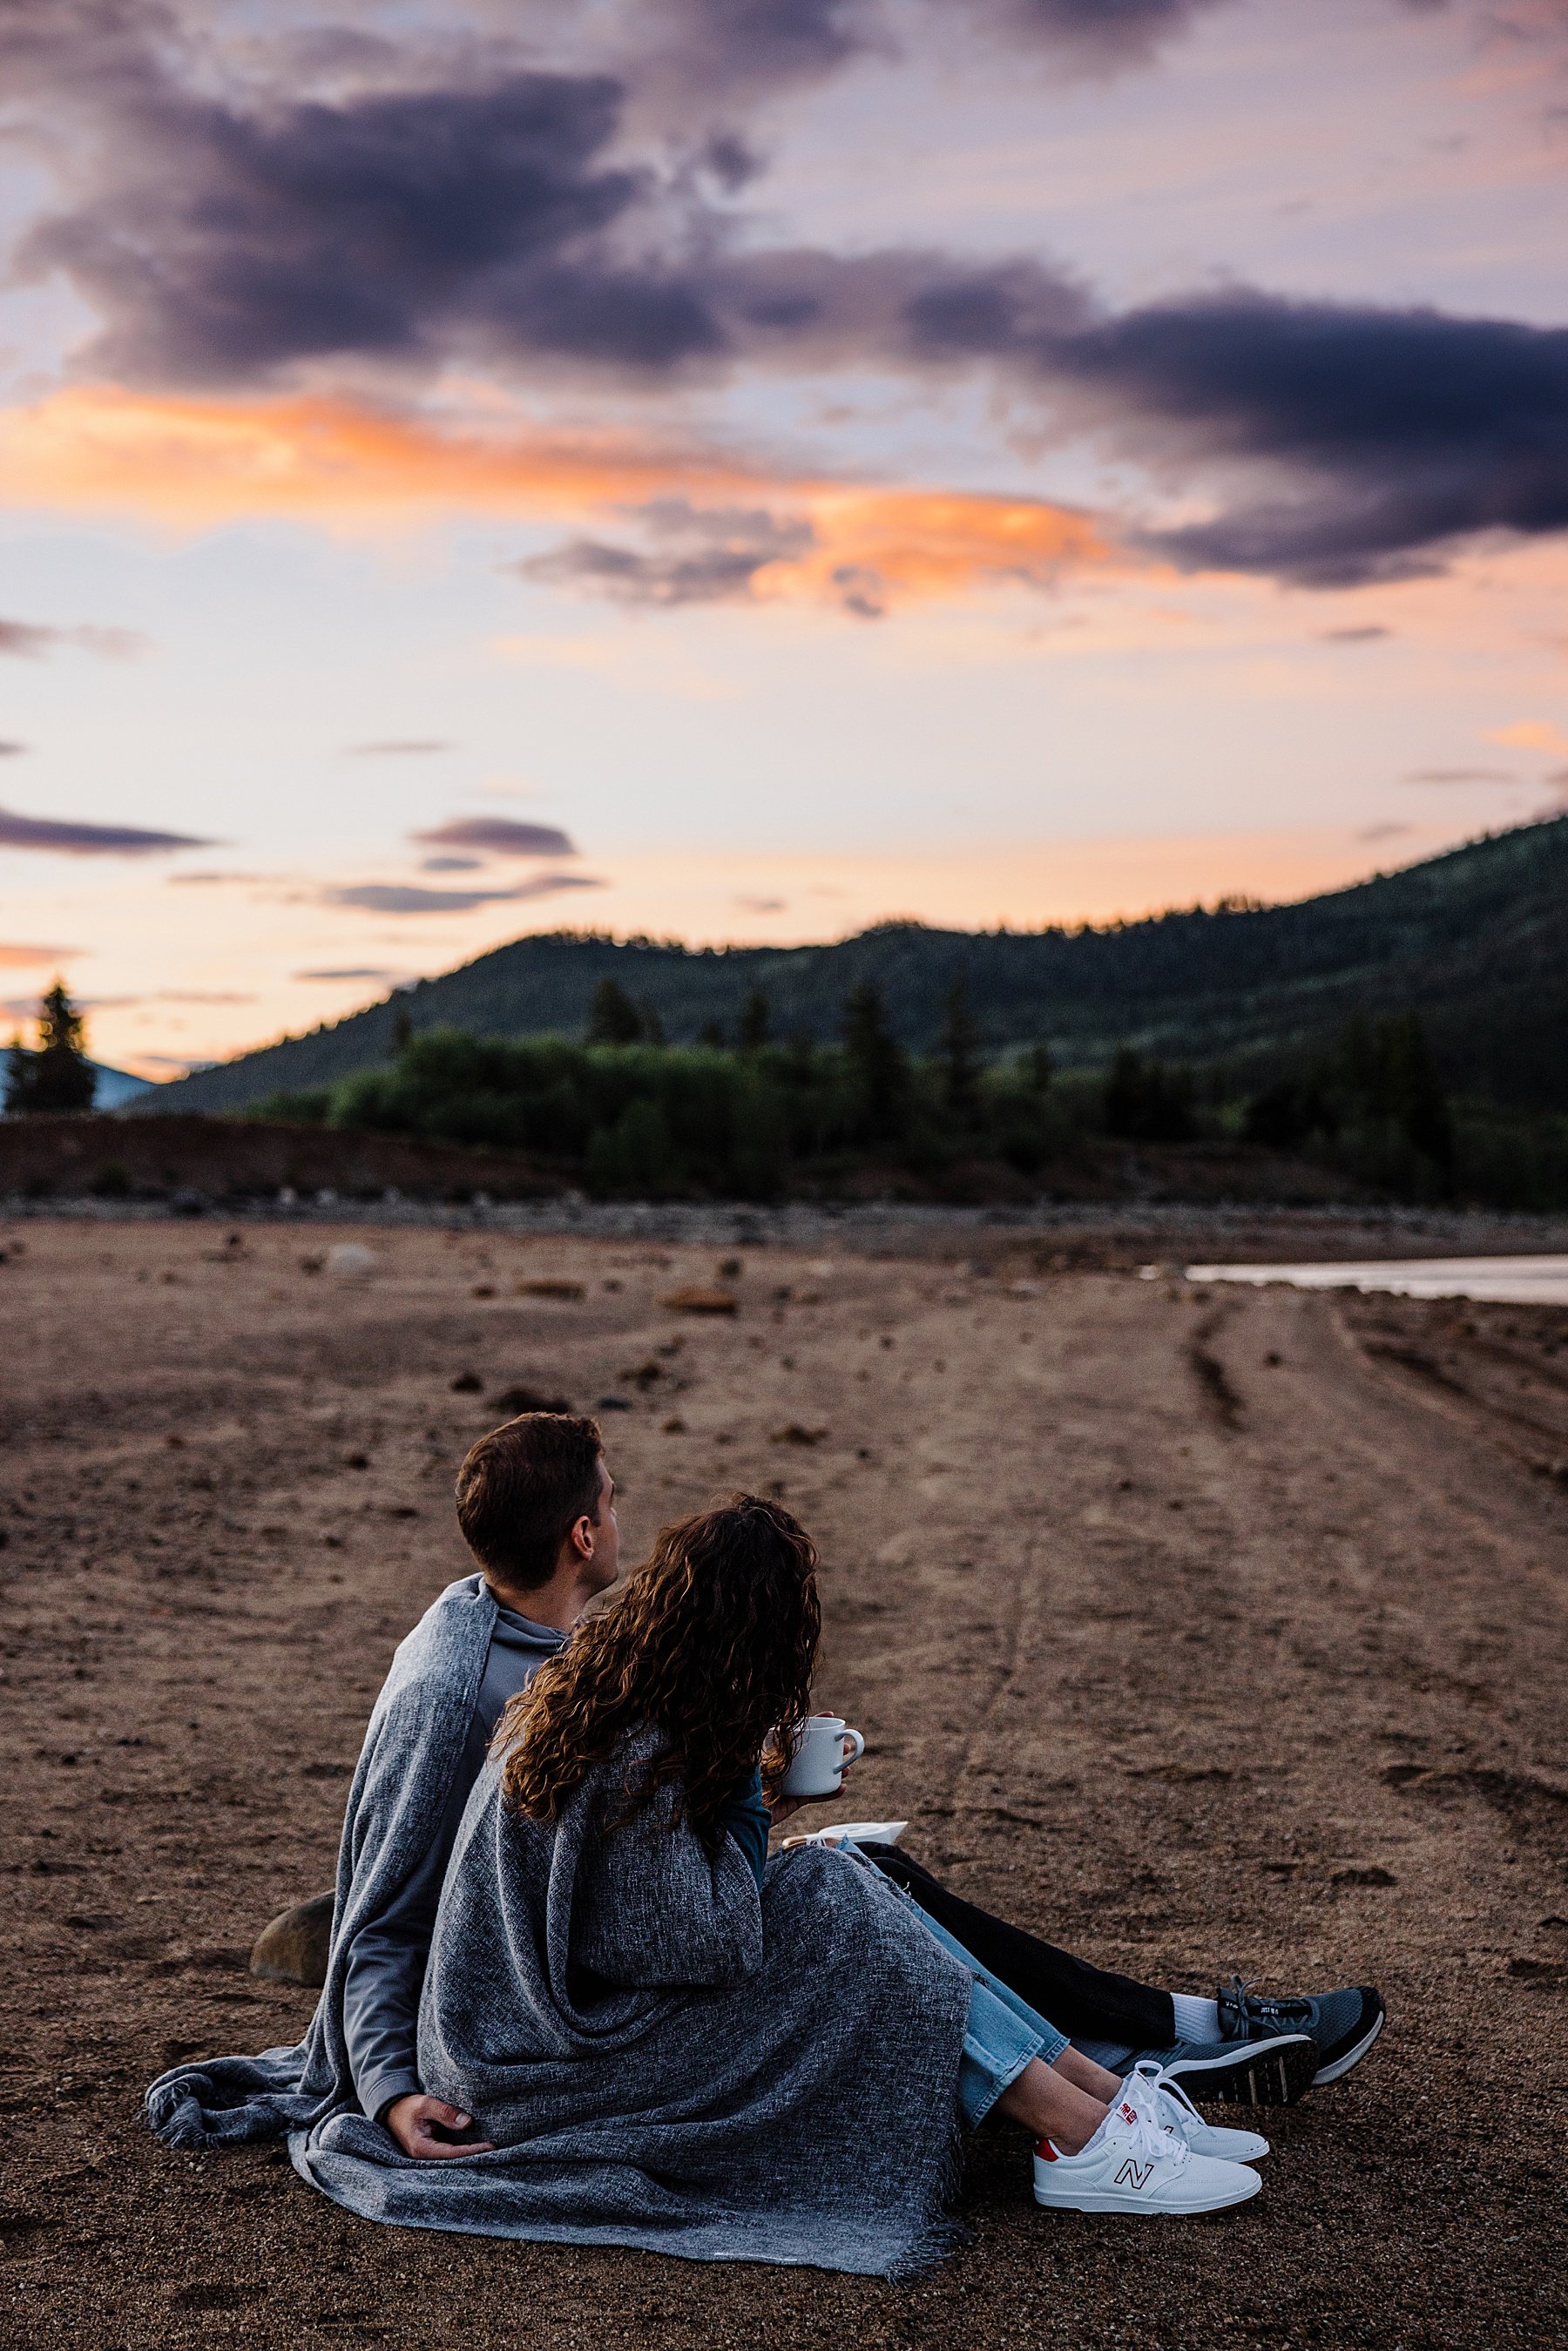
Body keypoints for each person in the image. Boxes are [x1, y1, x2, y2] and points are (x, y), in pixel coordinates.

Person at [146, 1415, 1381, 2176]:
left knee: (873, 1874)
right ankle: (1143, 2068)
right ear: (583, 1530)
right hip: (539, 1998)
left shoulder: (575, 1642)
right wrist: (385, 2079)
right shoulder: (453, 1690)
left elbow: (618, 1837)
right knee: (857, 1905)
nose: (627, 1506)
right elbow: (387, 1915)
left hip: (610, 1934)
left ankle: (1164, 2039)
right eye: (616, 1492)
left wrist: (764, 1782)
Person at [298, 1496, 1269, 2260]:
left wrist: (760, 1802)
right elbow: (702, 1942)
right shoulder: (636, 1747)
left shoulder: (610, 1695)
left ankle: (1098, 2100)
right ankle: (1080, 2134)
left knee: (845, 1877)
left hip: (531, 2035)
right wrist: (757, 1801)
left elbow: (660, 1907)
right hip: (533, 2072)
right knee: (839, 1898)